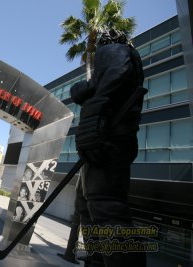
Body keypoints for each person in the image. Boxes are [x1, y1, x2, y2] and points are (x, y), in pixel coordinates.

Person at [71, 29, 147, 267]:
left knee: (107, 209)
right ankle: (96, 261)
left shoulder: (117, 52)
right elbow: (87, 89)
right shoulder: (117, 58)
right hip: (104, 143)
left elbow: (114, 78)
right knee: (88, 206)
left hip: (108, 144)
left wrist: (95, 123)